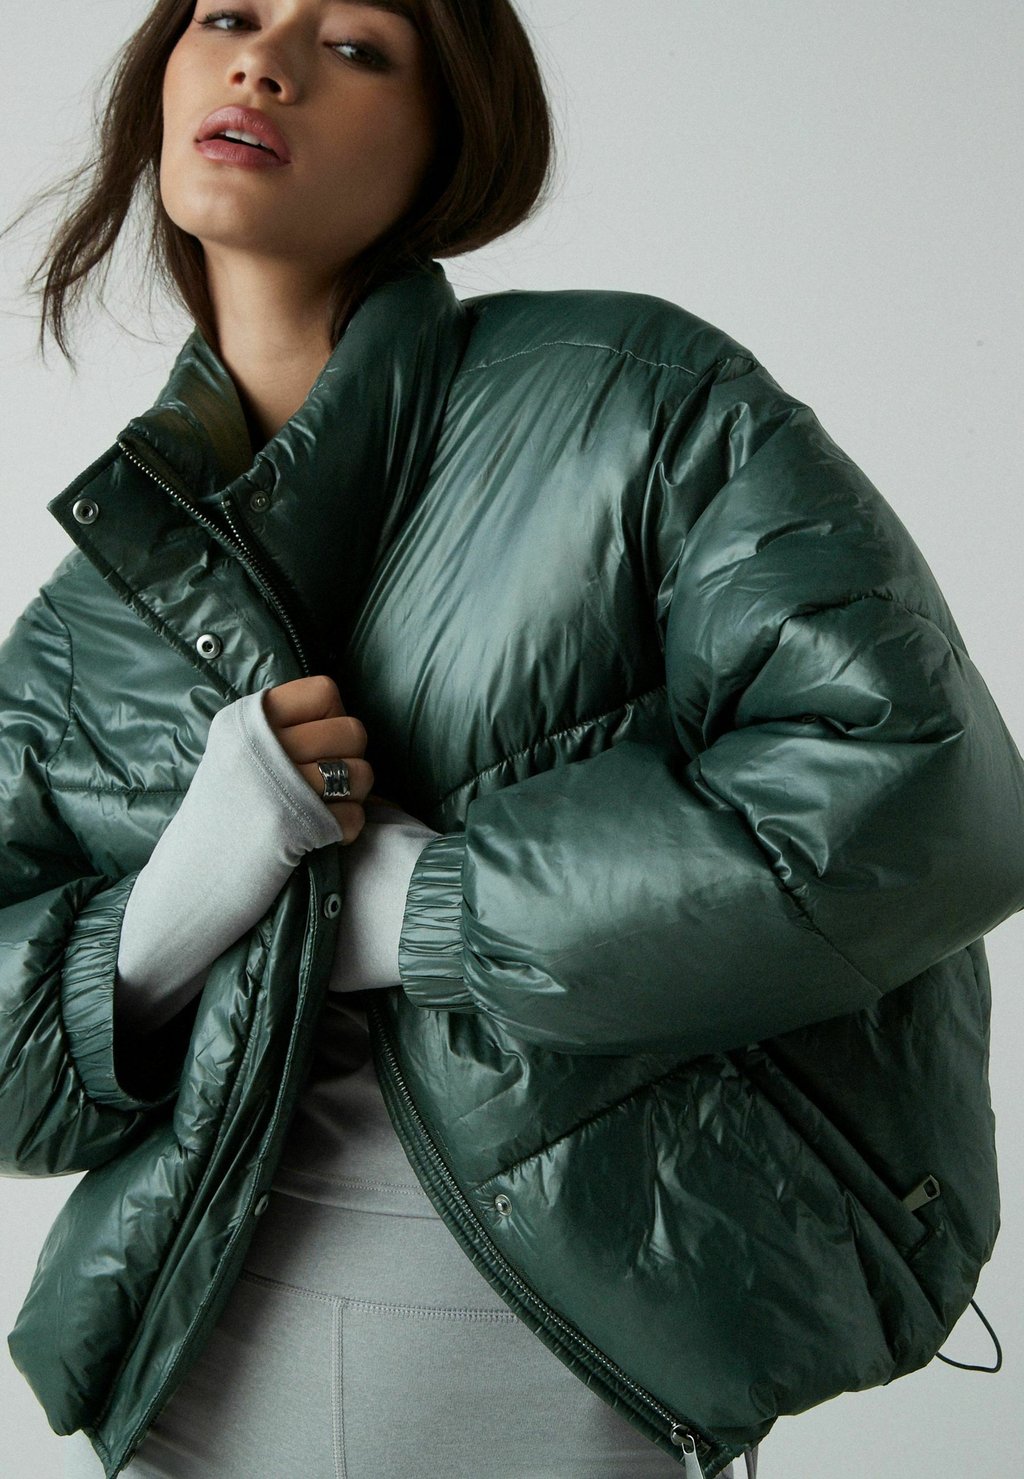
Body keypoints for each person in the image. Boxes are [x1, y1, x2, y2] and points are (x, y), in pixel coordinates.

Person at [1, 2, 1021, 1476]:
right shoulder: (97, 611)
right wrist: (175, 913)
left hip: (532, 1328)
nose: (263, 61)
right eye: (227, 14)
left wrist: (427, 907)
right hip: (187, 1349)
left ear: (451, 137)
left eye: (357, 47)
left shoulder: (636, 401)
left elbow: (921, 791)